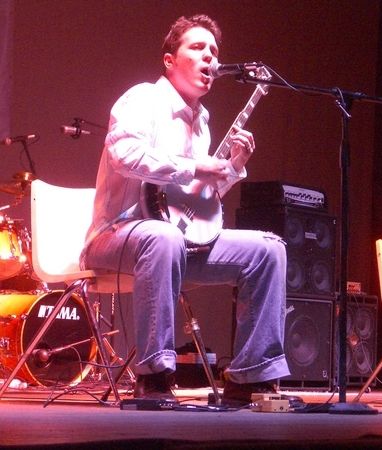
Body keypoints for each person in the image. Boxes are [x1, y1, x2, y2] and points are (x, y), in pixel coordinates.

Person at [81, 14, 291, 406]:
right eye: (197, 47)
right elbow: (124, 155)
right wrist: (196, 166)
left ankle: (250, 378)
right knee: (163, 238)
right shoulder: (143, 99)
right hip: (116, 236)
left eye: (214, 51)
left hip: (176, 243)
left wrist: (232, 167)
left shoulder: (202, 121)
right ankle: (153, 377)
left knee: (269, 251)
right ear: (169, 60)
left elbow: (194, 199)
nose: (210, 57)